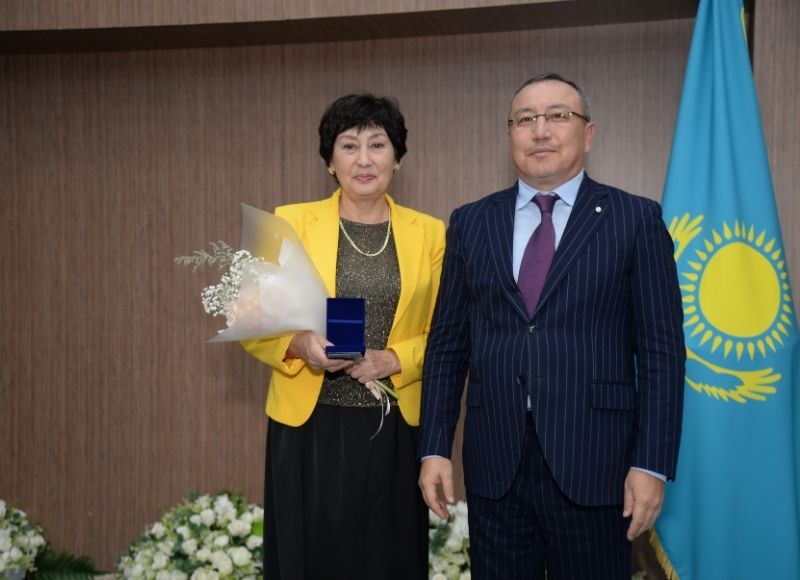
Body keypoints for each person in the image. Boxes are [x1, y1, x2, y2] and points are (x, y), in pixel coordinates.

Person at [418, 73, 686, 579]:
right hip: (496, 462)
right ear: (510, 135)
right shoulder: (471, 222)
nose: (540, 131)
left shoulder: (634, 219)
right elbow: (448, 347)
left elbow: (661, 353)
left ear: (588, 133)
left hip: (597, 462)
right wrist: (434, 447)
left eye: (558, 116)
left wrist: (651, 463)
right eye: (525, 119)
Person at [242, 93, 445, 580]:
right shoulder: (288, 221)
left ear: (398, 158)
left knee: (389, 559)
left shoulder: (431, 233)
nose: (364, 159)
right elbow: (251, 319)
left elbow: (445, 334)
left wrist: (393, 359)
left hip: (395, 425)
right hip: (309, 428)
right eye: (349, 146)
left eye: (378, 144)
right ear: (330, 161)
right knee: (312, 558)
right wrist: (301, 346)